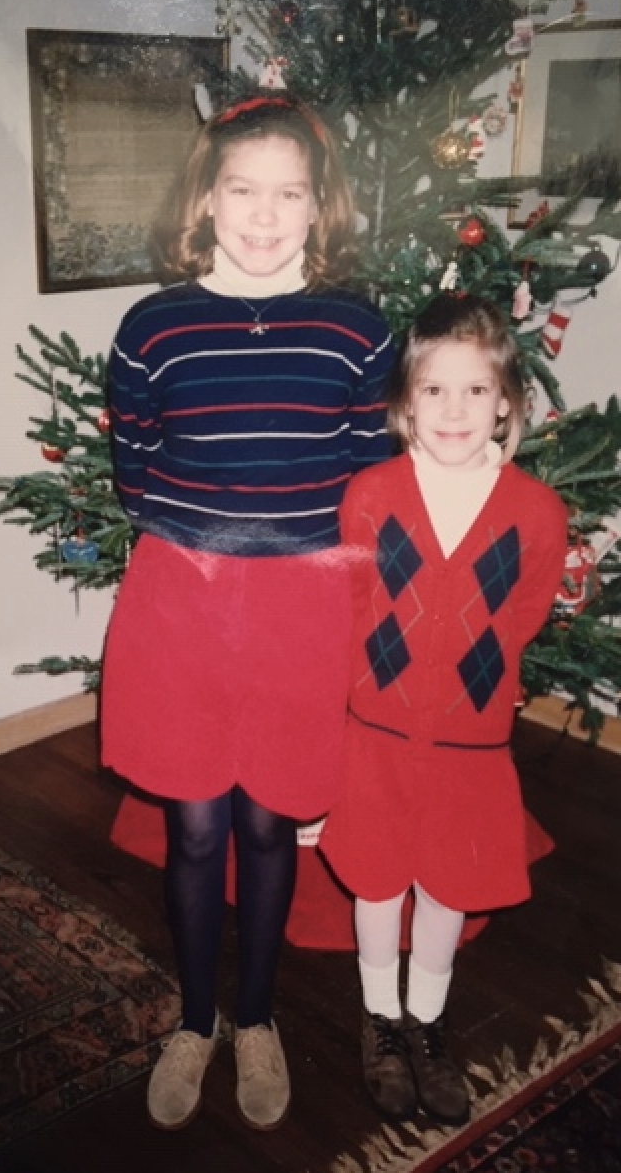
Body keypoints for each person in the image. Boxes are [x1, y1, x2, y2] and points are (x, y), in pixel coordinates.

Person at [100, 94, 395, 1131]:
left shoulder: (358, 331)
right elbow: (136, 471)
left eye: (288, 195)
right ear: (206, 199)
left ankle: (258, 1018)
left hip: (304, 603)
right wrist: (212, 543)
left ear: (319, 207)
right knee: (193, 827)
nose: (265, 216)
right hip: (181, 596)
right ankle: (197, 1021)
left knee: (269, 819)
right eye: (243, 191)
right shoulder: (152, 328)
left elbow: (366, 478)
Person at [319, 293, 568, 1127]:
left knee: (448, 885)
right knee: (377, 881)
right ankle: (380, 1020)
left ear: (506, 402)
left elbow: (522, 617)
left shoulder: (537, 512)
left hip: (470, 746)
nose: (454, 410)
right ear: (405, 403)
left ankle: (426, 1023)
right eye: (434, 390)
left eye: (475, 390)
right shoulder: (371, 494)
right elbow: (352, 609)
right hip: (376, 735)